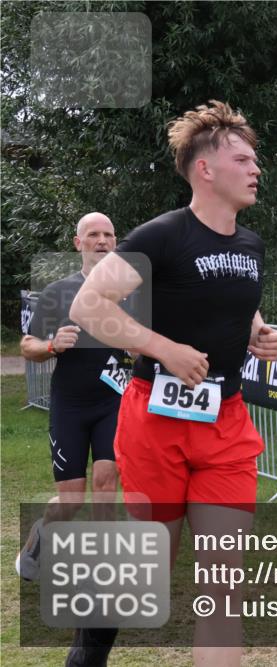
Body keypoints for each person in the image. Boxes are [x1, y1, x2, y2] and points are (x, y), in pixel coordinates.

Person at [69, 100, 277, 667]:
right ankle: (90, 647)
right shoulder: (162, 235)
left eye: (255, 159)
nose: (256, 169)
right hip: (155, 422)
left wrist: (258, 332)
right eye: (243, 159)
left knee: (223, 587)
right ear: (205, 169)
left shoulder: (251, 244)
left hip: (225, 423)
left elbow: (233, 303)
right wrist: (162, 348)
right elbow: (88, 305)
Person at [17, 212, 125, 667]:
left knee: (106, 481)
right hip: (71, 406)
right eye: (93, 235)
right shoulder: (58, 292)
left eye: (109, 234)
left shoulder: (132, 292)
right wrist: (51, 345)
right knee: (70, 500)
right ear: (78, 242)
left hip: (114, 403)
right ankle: (41, 535)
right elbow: (27, 345)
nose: (102, 240)